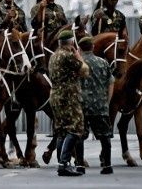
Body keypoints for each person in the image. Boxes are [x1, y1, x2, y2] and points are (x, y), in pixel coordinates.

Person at [48, 29, 89, 176]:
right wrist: (79, 57)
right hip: (69, 97)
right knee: (76, 129)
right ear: (71, 42)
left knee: (61, 130)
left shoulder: (53, 56)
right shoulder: (68, 56)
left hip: (55, 96)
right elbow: (85, 71)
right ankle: (64, 163)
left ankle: (62, 162)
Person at [79, 35, 114, 174]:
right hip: (100, 106)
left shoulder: (78, 63)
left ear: (80, 48)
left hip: (82, 106)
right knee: (105, 137)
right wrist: (107, 101)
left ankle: (80, 165)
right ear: (93, 47)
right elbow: (111, 82)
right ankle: (107, 166)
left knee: (79, 136)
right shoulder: (103, 62)